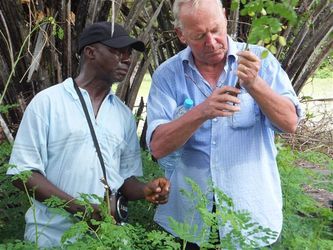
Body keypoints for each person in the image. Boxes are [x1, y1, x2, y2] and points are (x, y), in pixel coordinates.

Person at [146, 0, 302, 248]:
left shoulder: (261, 61)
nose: (211, 42)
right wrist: (202, 112)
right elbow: (158, 147)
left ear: (225, 18)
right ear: (181, 34)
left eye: (216, 29)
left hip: (252, 222)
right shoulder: (167, 75)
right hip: (189, 223)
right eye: (198, 35)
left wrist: (254, 84)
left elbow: (290, 122)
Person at [7, 21, 170, 248]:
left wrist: (145, 189)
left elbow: (123, 180)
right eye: (117, 51)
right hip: (50, 239)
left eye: (129, 53)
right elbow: (22, 174)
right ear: (90, 52)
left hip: (107, 240)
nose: (126, 59)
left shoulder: (123, 116)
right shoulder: (48, 102)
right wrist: (81, 210)